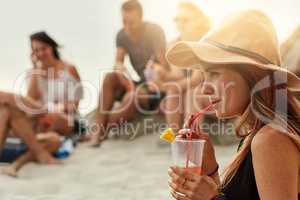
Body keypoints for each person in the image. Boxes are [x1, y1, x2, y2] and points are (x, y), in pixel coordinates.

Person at [166, 10, 300, 200]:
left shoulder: (270, 139)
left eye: (214, 74)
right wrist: (211, 170)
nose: (204, 89)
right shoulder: (259, 134)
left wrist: (211, 198)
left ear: (251, 73)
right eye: (203, 76)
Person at [0, 31, 83, 177]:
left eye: (43, 48)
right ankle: (35, 154)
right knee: (7, 109)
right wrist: (36, 71)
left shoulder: (69, 69)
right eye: (36, 50)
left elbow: (75, 104)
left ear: (52, 47)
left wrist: (57, 109)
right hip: (40, 118)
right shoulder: (34, 73)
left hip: (65, 118)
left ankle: (40, 111)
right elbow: (29, 101)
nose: (40, 53)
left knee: (6, 99)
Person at [89, 0, 168, 146]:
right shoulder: (122, 35)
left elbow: (164, 64)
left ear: (141, 18)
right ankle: (97, 133)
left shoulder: (154, 30)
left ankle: (99, 130)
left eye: (131, 22)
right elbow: (118, 61)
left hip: (157, 86)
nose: (127, 26)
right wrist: (120, 69)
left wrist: (155, 68)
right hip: (141, 82)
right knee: (109, 77)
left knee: (132, 97)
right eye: (124, 21)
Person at [153, 2, 211, 132]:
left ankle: (192, 136)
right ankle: (173, 138)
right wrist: (161, 73)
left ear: (199, 20)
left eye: (185, 20)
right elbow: (177, 75)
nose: (180, 23)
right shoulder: (174, 44)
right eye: (177, 19)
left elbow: (197, 79)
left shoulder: (205, 41)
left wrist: (165, 86)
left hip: (211, 89)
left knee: (190, 92)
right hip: (192, 89)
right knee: (173, 92)